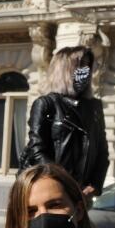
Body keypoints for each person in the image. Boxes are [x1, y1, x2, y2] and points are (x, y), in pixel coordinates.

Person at [20, 44, 108, 198]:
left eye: (88, 66)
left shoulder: (94, 107)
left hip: (81, 196)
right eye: (80, 66)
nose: (86, 72)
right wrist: (63, 183)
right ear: (64, 70)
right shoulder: (46, 104)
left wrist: (95, 185)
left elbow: (102, 151)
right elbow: (37, 150)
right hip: (48, 191)